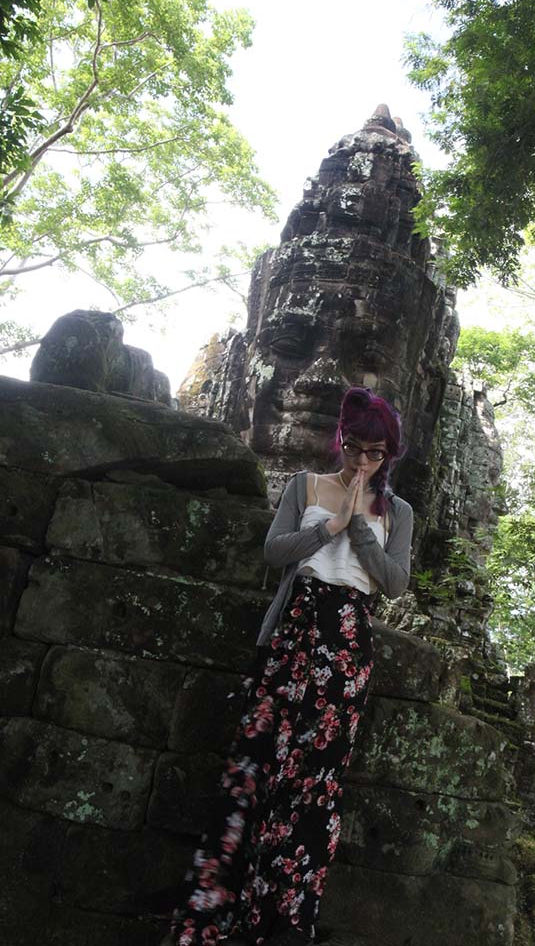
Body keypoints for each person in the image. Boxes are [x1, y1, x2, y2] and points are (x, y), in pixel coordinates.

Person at [168, 387, 414, 946]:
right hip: (293, 629)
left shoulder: (397, 512)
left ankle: (281, 924)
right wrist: (329, 525)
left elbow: (394, 584)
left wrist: (356, 524)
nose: (360, 461)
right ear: (340, 440)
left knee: (313, 779)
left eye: (374, 452)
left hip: (347, 642)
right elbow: (274, 552)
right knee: (256, 764)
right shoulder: (304, 486)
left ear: (389, 453)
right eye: (353, 447)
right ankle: (215, 917)